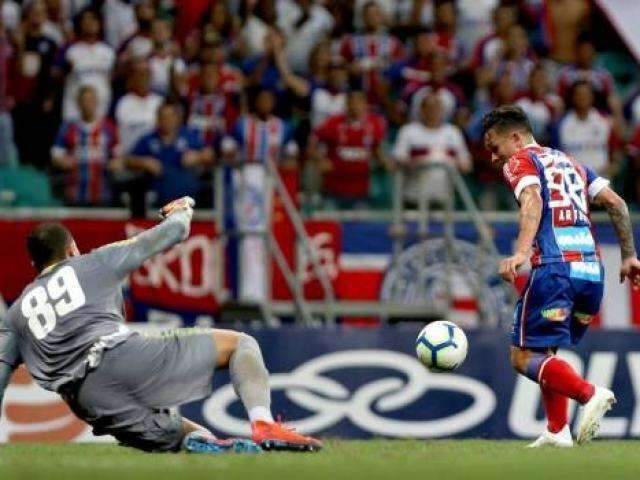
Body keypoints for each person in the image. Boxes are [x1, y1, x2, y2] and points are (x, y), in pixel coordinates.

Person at [0, 196, 321, 453]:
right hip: (119, 356)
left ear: (34, 264)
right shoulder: (93, 261)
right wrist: (181, 210)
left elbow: (1, 372)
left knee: (190, 438)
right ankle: (264, 423)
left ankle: (213, 449)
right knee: (241, 344)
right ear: (71, 249)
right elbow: (174, 232)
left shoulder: (15, 315)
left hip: (88, 401)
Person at [482, 105, 640, 448]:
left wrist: (522, 252)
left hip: (555, 269)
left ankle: (589, 394)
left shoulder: (520, 160)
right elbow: (617, 203)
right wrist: (629, 255)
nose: (495, 158)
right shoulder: (571, 162)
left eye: (495, 147)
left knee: (522, 356)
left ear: (515, 137)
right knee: (545, 350)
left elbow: (532, 200)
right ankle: (557, 430)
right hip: (589, 273)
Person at [127, 102, 214, 206]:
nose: (167, 121)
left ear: (177, 119)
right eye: (163, 117)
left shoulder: (189, 136)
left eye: (170, 117)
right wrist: (144, 162)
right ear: (157, 119)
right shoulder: (148, 139)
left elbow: (210, 154)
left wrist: (198, 156)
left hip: (188, 201)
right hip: (158, 201)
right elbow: (127, 160)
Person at [51, 85, 120, 206]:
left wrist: (115, 162)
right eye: (84, 100)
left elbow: (118, 155)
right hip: (74, 192)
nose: (88, 104)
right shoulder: (68, 127)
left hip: (102, 193)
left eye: (91, 100)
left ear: (97, 102)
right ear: (78, 103)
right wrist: (64, 161)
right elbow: (56, 154)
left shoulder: (108, 127)